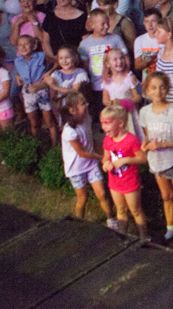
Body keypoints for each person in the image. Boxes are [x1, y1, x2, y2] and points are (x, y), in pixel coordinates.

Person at [139, 71, 173, 243]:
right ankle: (170, 227)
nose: (158, 92)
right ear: (147, 90)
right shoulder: (145, 111)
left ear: (167, 89)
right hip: (157, 160)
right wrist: (145, 144)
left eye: (162, 88)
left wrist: (163, 145)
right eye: (153, 88)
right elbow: (148, 134)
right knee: (166, 196)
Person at [60, 91, 113, 223]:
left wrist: (103, 153)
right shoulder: (70, 131)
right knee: (82, 198)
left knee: (102, 194)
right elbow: (82, 153)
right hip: (76, 169)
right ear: (72, 110)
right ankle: (79, 224)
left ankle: (111, 220)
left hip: (91, 164)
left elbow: (90, 139)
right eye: (83, 103)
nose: (87, 104)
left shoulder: (87, 119)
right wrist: (101, 158)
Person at [101, 104, 150, 240]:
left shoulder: (131, 140)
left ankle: (144, 237)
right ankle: (122, 237)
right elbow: (105, 157)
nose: (104, 127)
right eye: (102, 123)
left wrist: (125, 160)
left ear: (120, 123)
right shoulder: (107, 140)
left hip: (130, 182)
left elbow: (143, 158)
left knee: (135, 211)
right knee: (120, 210)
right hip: (114, 182)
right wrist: (105, 163)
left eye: (107, 123)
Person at [15, 34, 56, 145]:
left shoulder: (41, 56)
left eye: (26, 44)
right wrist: (18, 76)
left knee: (49, 122)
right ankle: (36, 146)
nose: (23, 47)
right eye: (20, 45)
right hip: (28, 92)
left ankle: (55, 147)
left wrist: (49, 72)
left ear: (34, 46)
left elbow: (56, 62)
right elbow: (21, 71)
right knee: (33, 123)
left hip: (41, 91)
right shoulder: (18, 61)